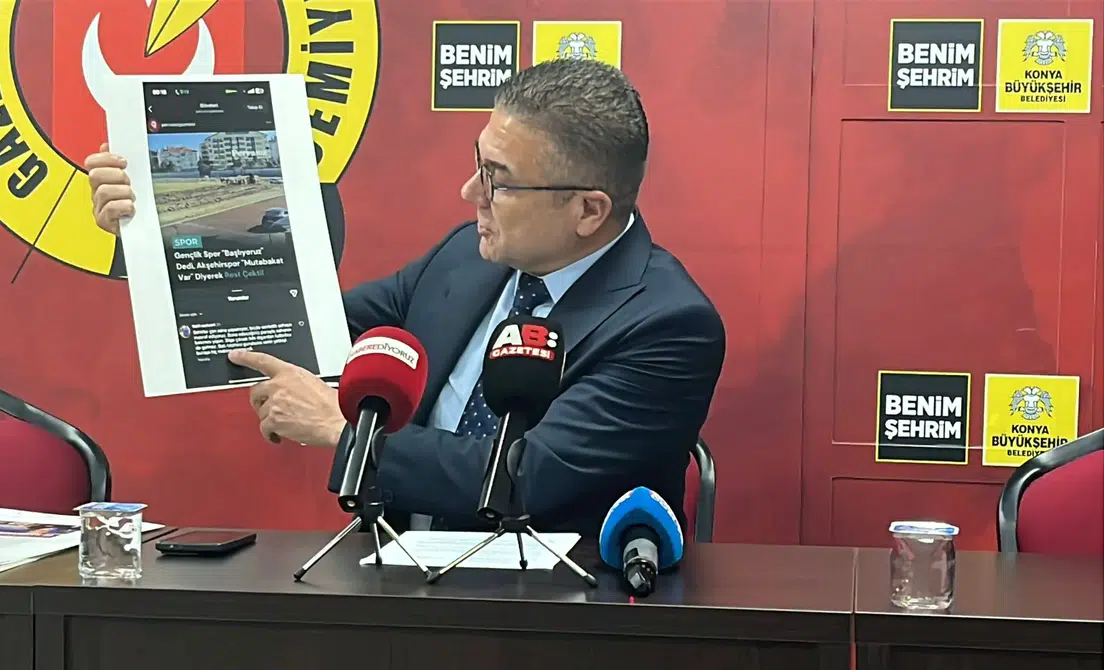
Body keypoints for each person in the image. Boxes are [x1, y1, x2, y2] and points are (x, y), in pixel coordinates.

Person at [87, 59, 725, 537]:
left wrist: (341, 432)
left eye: (498, 181)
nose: (469, 193)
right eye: (478, 163)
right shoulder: (465, 257)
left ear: (588, 211)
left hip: (553, 622)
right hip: (394, 588)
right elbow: (304, 329)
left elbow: (528, 478)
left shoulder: (669, 325)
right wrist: (156, 236)